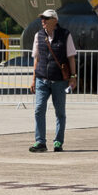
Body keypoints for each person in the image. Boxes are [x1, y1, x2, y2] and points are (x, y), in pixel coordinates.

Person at [29, 9, 77, 152]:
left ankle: (58, 142)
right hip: (42, 79)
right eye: (42, 18)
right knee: (38, 109)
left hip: (59, 81)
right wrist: (33, 79)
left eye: (46, 18)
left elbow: (71, 57)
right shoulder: (38, 35)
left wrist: (73, 77)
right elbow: (36, 58)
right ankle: (40, 142)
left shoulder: (65, 35)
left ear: (54, 20)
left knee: (60, 112)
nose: (43, 20)